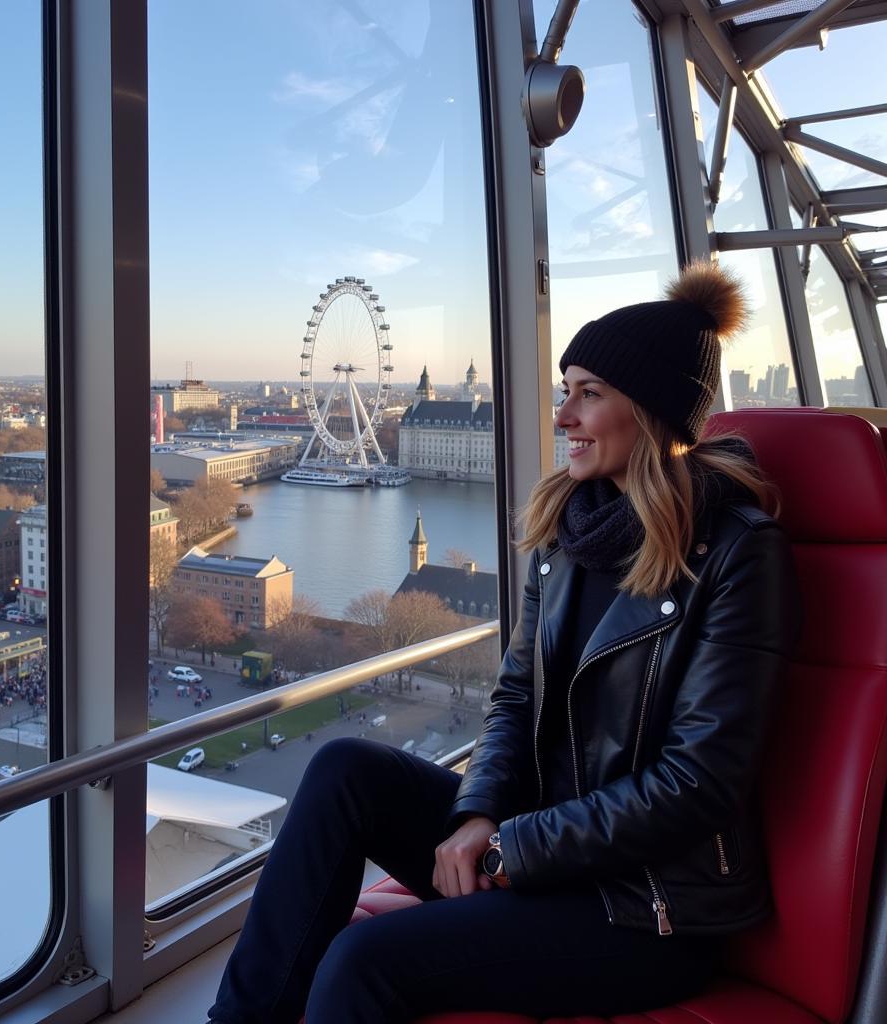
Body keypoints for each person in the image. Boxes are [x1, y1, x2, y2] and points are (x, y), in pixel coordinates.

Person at [207, 263, 801, 1024]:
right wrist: (479, 812)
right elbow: (516, 697)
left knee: (363, 961)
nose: (562, 417)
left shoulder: (739, 554)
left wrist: (511, 848)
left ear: (652, 411)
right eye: (565, 391)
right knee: (343, 769)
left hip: (646, 906)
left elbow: (697, 784)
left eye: (589, 393)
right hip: (542, 842)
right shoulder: (568, 533)